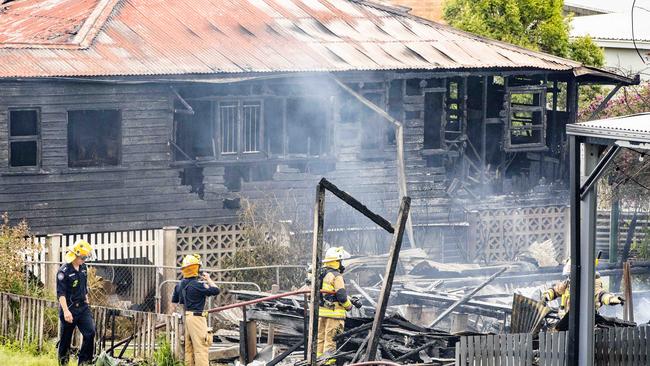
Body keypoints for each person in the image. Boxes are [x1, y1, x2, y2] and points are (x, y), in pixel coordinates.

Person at [172, 254, 220, 366]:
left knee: (189, 349)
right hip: (197, 318)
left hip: (187, 317)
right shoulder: (198, 286)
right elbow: (216, 290)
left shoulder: (179, 285)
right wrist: (208, 279)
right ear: (196, 269)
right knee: (201, 348)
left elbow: (175, 300)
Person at [317, 247, 362, 364]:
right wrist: (349, 306)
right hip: (334, 315)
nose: (342, 264)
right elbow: (341, 296)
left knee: (320, 340)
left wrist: (351, 300)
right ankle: (328, 364)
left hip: (322, 313)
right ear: (336, 261)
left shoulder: (321, 274)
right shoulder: (337, 276)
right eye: (341, 261)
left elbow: (330, 293)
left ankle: (318, 362)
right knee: (331, 341)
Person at [57, 239, 95, 366]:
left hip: (83, 308)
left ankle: (84, 362)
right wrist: (66, 311)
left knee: (90, 332)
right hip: (70, 308)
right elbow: (61, 294)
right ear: (75, 256)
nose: (84, 260)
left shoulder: (83, 267)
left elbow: (84, 285)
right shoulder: (63, 272)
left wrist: (86, 297)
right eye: (83, 257)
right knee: (65, 340)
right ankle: (63, 363)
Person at [542, 259, 624, 319]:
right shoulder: (567, 284)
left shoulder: (589, 285)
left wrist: (611, 299)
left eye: (570, 276)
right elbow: (556, 290)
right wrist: (547, 295)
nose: (569, 279)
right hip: (566, 320)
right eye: (568, 276)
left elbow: (600, 295)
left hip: (585, 321)